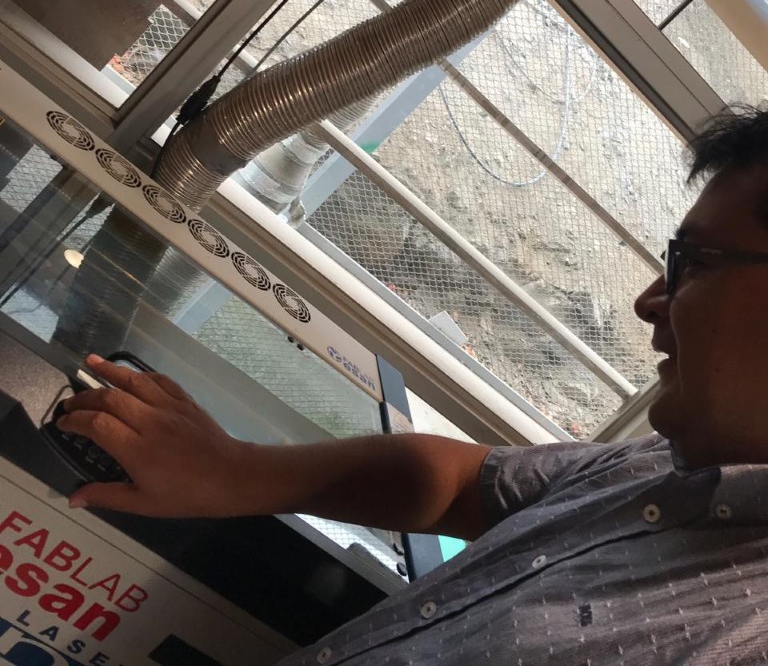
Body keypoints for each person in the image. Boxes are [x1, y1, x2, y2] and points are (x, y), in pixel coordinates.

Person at [57, 106, 768, 664]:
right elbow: (462, 485)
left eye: (696, 262)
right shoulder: (661, 467)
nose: (649, 301)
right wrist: (235, 471)